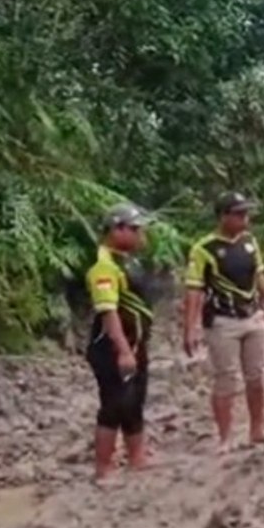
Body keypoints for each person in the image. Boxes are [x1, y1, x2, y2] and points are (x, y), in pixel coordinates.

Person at [183, 192, 264, 451]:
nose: (244, 218)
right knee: (226, 379)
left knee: (257, 376)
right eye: (239, 214)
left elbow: (259, 277)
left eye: (246, 213)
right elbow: (194, 289)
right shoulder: (204, 249)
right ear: (223, 216)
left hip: (253, 316)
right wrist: (190, 327)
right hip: (222, 321)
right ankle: (225, 437)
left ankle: (257, 429)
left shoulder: (249, 241)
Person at [84, 203, 154, 482]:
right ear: (117, 230)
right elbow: (108, 311)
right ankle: (103, 468)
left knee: (135, 401)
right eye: (135, 229)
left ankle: (137, 458)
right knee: (114, 403)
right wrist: (123, 350)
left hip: (136, 343)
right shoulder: (104, 267)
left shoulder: (128, 262)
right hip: (112, 346)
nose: (140, 235)